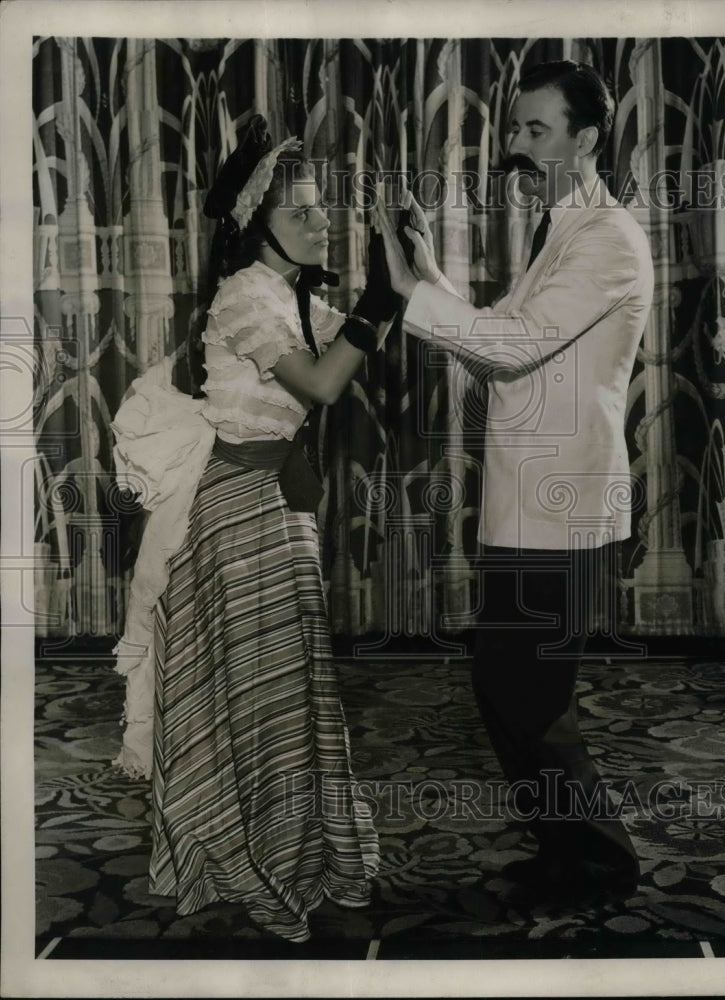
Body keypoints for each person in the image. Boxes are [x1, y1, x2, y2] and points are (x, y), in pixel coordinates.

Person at [376, 60, 654, 908]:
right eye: (514, 129)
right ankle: (567, 855)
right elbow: (500, 335)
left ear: (586, 139)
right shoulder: (559, 231)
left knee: (527, 698)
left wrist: (405, 293)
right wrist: (427, 275)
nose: (517, 146)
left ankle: (600, 866)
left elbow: (509, 346)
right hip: (527, 504)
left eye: (537, 130)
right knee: (505, 692)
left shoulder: (606, 237)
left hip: (559, 507)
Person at [116, 115, 397, 943]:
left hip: (281, 509)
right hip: (239, 514)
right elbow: (319, 383)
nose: (319, 223)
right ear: (255, 226)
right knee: (258, 691)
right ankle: (252, 858)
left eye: (320, 210)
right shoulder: (247, 294)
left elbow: (356, 342)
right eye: (300, 212)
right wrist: (379, 300)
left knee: (288, 689)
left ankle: (308, 852)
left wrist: (399, 283)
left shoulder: (290, 294)